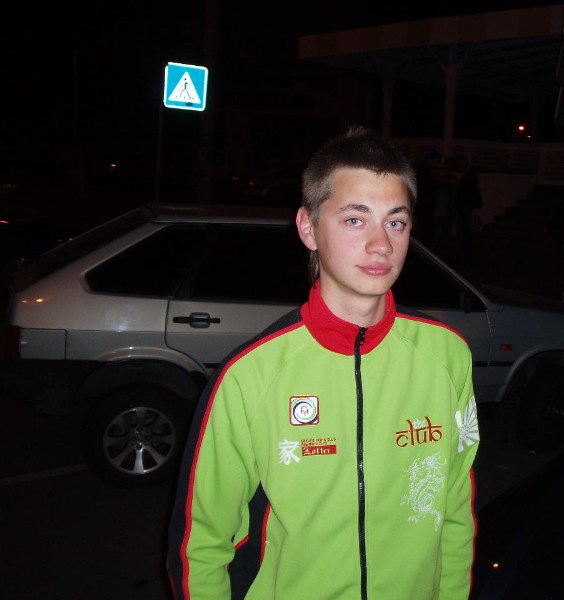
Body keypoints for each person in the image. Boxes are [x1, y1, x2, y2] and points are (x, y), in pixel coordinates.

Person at [167, 126, 480, 600]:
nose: (381, 244)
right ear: (308, 228)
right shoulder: (250, 375)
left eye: (396, 222)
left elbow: (456, 509)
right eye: (355, 220)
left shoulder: (446, 355)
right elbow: (201, 545)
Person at [452, 154, 482, 268]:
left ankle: (464, 258)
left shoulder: (469, 176)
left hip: (464, 208)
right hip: (464, 208)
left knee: (464, 233)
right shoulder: (469, 176)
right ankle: (464, 257)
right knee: (464, 233)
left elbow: (465, 194)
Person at [413, 150, 442, 246]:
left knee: (423, 228)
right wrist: (438, 182)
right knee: (424, 228)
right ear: (431, 160)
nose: (437, 164)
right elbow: (428, 187)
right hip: (424, 204)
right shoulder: (424, 171)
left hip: (423, 203)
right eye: (436, 161)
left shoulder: (423, 169)